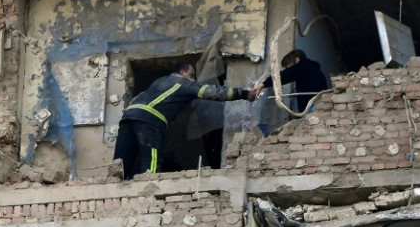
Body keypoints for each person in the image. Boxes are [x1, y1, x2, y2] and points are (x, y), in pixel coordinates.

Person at [113, 62, 256, 179]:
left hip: (128, 116)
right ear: (183, 73)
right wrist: (243, 93)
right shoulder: (183, 83)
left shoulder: (160, 81)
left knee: (121, 162)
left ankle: (115, 186)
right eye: (192, 75)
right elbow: (212, 92)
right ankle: (147, 191)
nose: (193, 80)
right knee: (151, 163)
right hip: (149, 119)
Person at [253, 49, 328, 113]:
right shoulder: (314, 70)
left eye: (289, 66)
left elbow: (284, 75)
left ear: (297, 60)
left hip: (313, 106)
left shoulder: (303, 67)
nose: (288, 69)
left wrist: (263, 84)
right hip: (321, 105)